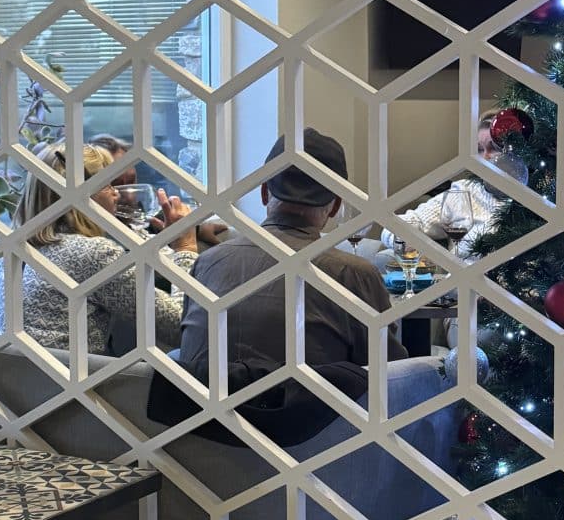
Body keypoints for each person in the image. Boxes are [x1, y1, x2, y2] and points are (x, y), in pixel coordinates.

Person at [0, 143, 199, 354]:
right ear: (82, 194)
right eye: (108, 184)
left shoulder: (6, 247)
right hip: (73, 397)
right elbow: (182, 328)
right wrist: (185, 247)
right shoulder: (95, 254)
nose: (115, 194)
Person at [179, 128, 407, 372]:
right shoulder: (353, 275)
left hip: (208, 396)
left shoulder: (206, 263)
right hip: (308, 397)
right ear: (335, 206)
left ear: (264, 192)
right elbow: (388, 367)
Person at [380, 109, 503, 260]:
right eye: (479, 150)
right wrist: (404, 242)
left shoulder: (530, 197)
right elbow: (394, 227)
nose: (485, 157)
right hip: (463, 274)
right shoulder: (464, 191)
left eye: (495, 148)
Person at [89, 131, 228, 245]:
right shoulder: (96, 242)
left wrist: (198, 229)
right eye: (116, 184)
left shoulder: (147, 218)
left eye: (131, 180)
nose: (130, 197)